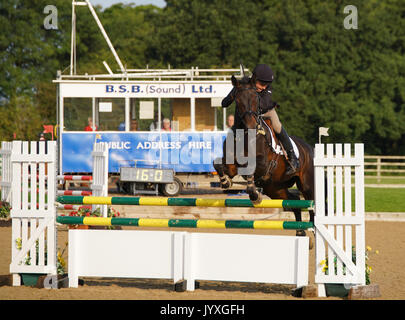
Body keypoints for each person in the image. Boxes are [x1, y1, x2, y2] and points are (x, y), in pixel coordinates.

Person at [221, 64, 299, 175]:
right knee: (235, 130)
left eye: (266, 85)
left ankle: (292, 157)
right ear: (254, 79)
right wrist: (234, 94)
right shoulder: (244, 85)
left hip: (265, 111)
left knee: (277, 125)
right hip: (249, 115)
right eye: (262, 84)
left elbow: (265, 104)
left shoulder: (267, 90)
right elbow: (224, 103)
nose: (264, 87)